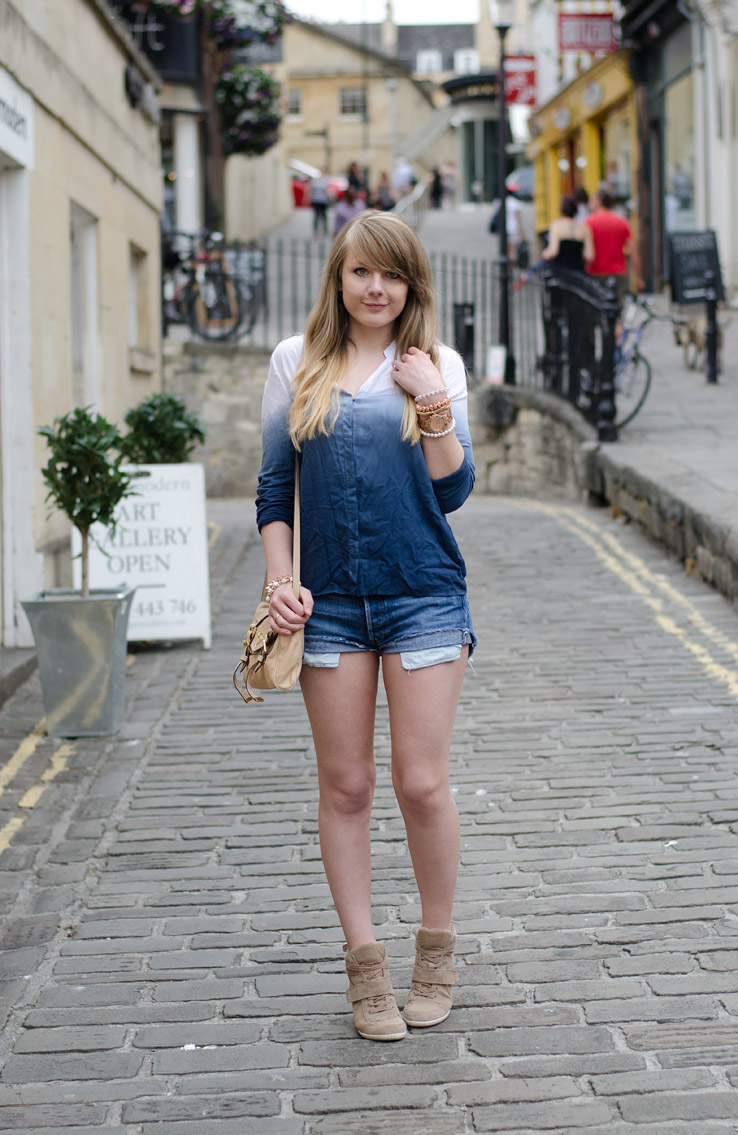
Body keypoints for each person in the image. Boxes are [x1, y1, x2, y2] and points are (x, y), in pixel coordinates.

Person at [255, 210, 476, 1043]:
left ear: (412, 283)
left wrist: (433, 403)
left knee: (421, 782)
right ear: (339, 279)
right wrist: (283, 579)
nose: (375, 288)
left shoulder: (434, 364)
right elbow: (276, 491)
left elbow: (452, 493)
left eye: (391, 274)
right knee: (345, 786)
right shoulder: (295, 361)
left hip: (422, 592)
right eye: (360, 272)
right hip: (331, 604)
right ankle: (366, 966)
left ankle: (436, 951)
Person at [586, 188, 644, 307]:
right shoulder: (622, 222)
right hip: (618, 273)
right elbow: (634, 251)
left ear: (599, 202)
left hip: (595, 273)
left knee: (596, 309)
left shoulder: (588, 223)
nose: (589, 204)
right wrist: (639, 278)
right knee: (617, 311)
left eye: (591, 201)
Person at [541, 194, 595, 271]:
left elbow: (553, 251)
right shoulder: (585, 228)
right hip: (578, 271)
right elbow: (589, 256)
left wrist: (545, 253)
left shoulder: (556, 226)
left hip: (560, 272)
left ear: (561, 209)